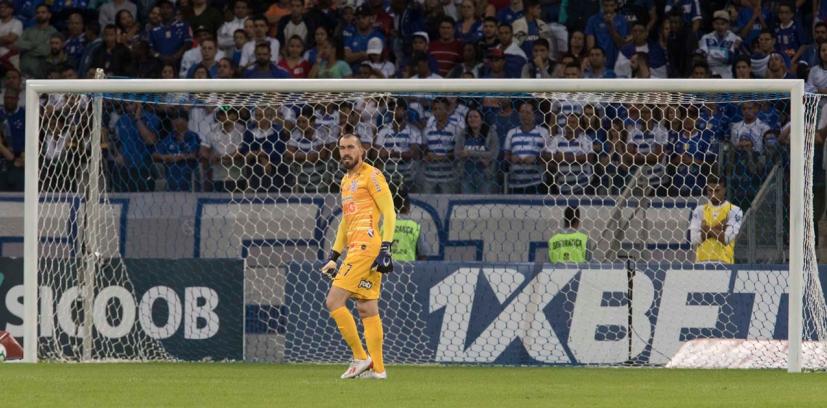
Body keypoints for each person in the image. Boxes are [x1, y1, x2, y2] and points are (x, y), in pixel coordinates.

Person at [320, 132, 396, 380]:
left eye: (351, 147)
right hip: (356, 247)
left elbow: (389, 211)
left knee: (334, 301)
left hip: (367, 245)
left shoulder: (372, 175)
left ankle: (361, 358)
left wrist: (386, 247)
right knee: (366, 307)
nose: (345, 152)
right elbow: (345, 221)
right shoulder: (345, 180)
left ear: (361, 150)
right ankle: (379, 370)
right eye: (342, 148)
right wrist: (334, 254)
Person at [688, 176, 743, 264]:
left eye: (717, 191)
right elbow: (694, 240)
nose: (713, 194)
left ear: (724, 190)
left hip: (724, 263)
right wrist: (720, 227)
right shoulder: (699, 210)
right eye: (710, 191)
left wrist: (706, 228)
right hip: (701, 263)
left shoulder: (735, 210)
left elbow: (726, 239)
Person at [390, 187, 426, 261]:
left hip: (388, 269)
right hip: (409, 269)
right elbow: (423, 253)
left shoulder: (384, 226)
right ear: (408, 207)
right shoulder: (414, 227)